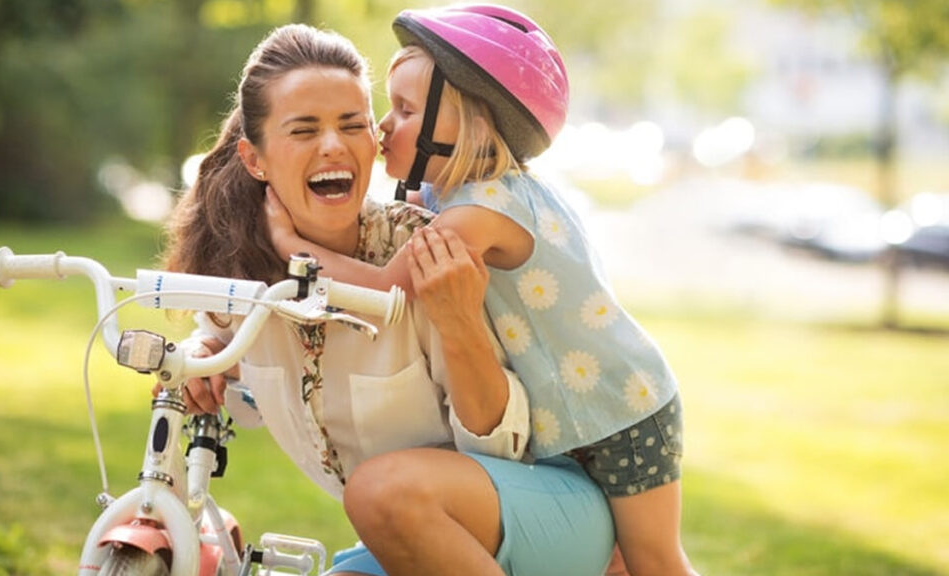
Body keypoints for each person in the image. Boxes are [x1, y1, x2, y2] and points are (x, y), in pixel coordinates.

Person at [162, 22, 615, 576]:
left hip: (544, 515)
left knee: (377, 491)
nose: (333, 144)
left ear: (372, 142)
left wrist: (459, 324)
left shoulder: (422, 252)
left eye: (351, 124)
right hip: (415, 539)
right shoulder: (247, 279)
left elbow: (504, 448)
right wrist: (206, 353)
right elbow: (244, 386)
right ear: (255, 159)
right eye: (304, 130)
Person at [265, 5, 697, 576]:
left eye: (406, 109)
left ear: (466, 121)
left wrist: (288, 243)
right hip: (580, 419)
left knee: (655, 564)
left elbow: (383, 290)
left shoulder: (479, 214)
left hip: (622, 415)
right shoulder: (462, 196)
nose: (383, 127)